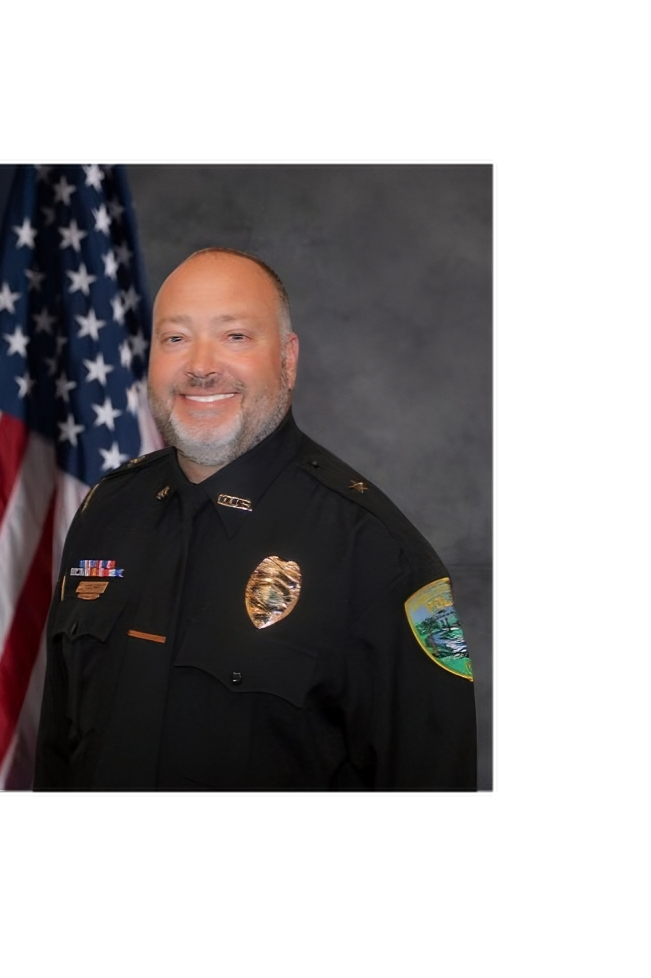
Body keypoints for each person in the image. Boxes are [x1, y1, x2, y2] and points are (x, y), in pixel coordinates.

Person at [34, 248, 477, 793]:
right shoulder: (105, 511)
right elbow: (58, 754)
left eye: (235, 336)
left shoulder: (380, 556)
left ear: (288, 361)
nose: (200, 366)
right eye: (175, 338)